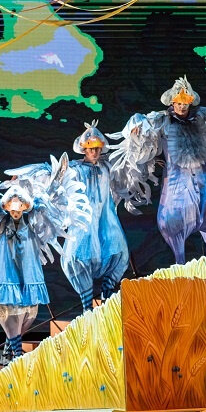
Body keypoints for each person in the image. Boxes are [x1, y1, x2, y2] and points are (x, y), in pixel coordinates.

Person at [0, 154, 90, 364]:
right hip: (8, 268)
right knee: (8, 308)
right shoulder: (0, 218)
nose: (15, 212)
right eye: (11, 209)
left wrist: (58, 178)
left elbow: (50, 199)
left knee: (28, 311)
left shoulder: (33, 216)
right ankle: (16, 354)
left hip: (28, 268)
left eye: (19, 208)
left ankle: (10, 350)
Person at [109, 76, 206, 264]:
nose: (182, 107)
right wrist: (137, 128)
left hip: (201, 174)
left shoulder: (200, 116)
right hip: (177, 178)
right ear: (172, 103)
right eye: (178, 103)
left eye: (185, 103)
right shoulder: (162, 120)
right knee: (173, 218)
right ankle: (180, 262)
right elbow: (143, 124)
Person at [61, 121, 129, 311]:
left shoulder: (107, 166)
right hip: (85, 220)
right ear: (84, 149)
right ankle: (87, 307)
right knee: (77, 256)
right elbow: (53, 175)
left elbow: (129, 161)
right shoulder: (75, 169)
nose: (94, 152)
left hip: (105, 219)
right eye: (91, 149)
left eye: (98, 149)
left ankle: (107, 295)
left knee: (118, 251)